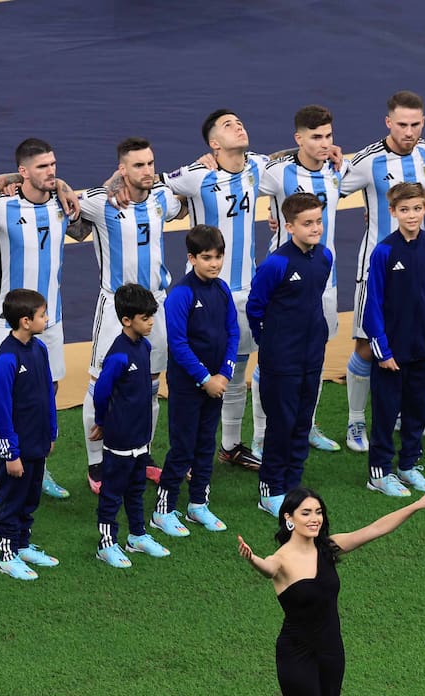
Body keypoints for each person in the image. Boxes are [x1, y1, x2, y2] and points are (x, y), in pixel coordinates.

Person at [236, 488, 425, 696]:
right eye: (306, 513)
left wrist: (417, 504)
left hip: (331, 654)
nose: (314, 519)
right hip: (297, 657)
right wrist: (252, 558)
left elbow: (375, 529)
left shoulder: (329, 549)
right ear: (288, 518)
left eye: (318, 512)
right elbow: (268, 569)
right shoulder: (282, 559)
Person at [159, 109, 270, 471]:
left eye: (240, 121)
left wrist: (328, 153)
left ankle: (231, 445)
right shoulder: (198, 174)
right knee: (194, 374)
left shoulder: (256, 166)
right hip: (202, 294)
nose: (238, 125)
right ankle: (186, 455)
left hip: (245, 291)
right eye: (228, 125)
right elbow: (152, 182)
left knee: (236, 370)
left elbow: (292, 158)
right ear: (214, 144)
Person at [78, 137, 185, 494]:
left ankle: (144, 454)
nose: (148, 170)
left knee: (151, 385)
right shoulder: (100, 202)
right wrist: (110, 185)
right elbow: (66, 209)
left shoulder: (161, 198)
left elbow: (184, 200)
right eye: (138, 165)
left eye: (151, 163)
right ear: (122, 169)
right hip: (116, 308)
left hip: (155, 304)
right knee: (98, 384)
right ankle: (96, 463)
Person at [0, 138, 84, 504]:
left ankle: (37, 466)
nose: (51, 171)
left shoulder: (62, 203)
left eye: (53, 164)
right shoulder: (1, 208)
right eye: (42, 166)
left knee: (47, 394)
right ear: (22, 171)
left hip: (50, 320)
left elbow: (84, 229)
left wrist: (64, 187)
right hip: (6, 324)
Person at [340, 91, 425, 448]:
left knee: (410, 340)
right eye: (401, 125)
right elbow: (326, 192)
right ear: (388, 123)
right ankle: (354, 422)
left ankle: (402, 416)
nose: (409, 131)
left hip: (415, 265)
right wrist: (278, 214)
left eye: (415, 124)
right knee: (368, 345)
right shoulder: (367, 161)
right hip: (376, 268)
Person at [259, 104, 346, 455]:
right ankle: (263, 436)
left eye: (328, 136)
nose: (325, 144)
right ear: (298, 139)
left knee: (316, 354)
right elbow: (239, 171)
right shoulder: (278, 173)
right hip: (284, 283)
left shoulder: (340, 170)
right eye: (315, 137)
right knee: (273, 358)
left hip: (326, 280)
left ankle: (306, 425)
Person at [362, 183, 425, 496]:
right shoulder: (384, 251)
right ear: (392, 212)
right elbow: (372, 306)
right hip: (391, 352)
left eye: (417, 208)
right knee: (386, 413)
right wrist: (382, 350)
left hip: (423, 347)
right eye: (404, 210)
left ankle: (409, 465)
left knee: (417, 409)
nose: (411, 215)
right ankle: (379, 472)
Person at [151, 225, 240, 538]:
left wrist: (225, 373)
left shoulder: (223, 289)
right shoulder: (181, 295)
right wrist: (205, 378)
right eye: (206, 258)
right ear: (191, 258)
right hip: (189, 387)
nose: (214, 263)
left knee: (206, 444)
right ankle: (163, 510)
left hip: (216, 383)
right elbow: (177, 343)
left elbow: (233, 333)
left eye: (218, 257)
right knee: (183, 447)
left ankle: (198, 503)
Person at [247, 193, 332, 517]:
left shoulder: (324, 258)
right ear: (289, 226)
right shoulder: (276, 264)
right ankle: (270, 489)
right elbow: (256, 308)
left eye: (318, 222)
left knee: (301, 422)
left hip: (312, 356)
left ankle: (293, 485)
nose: (315, 228)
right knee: (280, 425)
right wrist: (268, 342)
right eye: (307, 223)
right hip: (280, 359)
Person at [0, 289, 60, 581]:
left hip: (37, 441)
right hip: (17, 447)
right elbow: (0, 410)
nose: (47, 318)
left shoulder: (39, 349)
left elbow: (48, 394)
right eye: (42, 314)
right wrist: (10, 453)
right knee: (12, 500)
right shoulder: (5, 359)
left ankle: (23, 545)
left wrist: (51, 431)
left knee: (31, 496)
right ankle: (7, 554)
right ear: (26, 321)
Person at [90, 284, 170, 568]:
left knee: (136, 488)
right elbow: (101, 391)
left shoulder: (144, 347)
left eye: (151, 317)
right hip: (121, 437)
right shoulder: (118, 356)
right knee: (112, 492)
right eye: (145, 318)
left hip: (140, 435)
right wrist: (101, 422)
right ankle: (106, 543)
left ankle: (137, 535)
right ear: (127, 320)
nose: (150, 323)